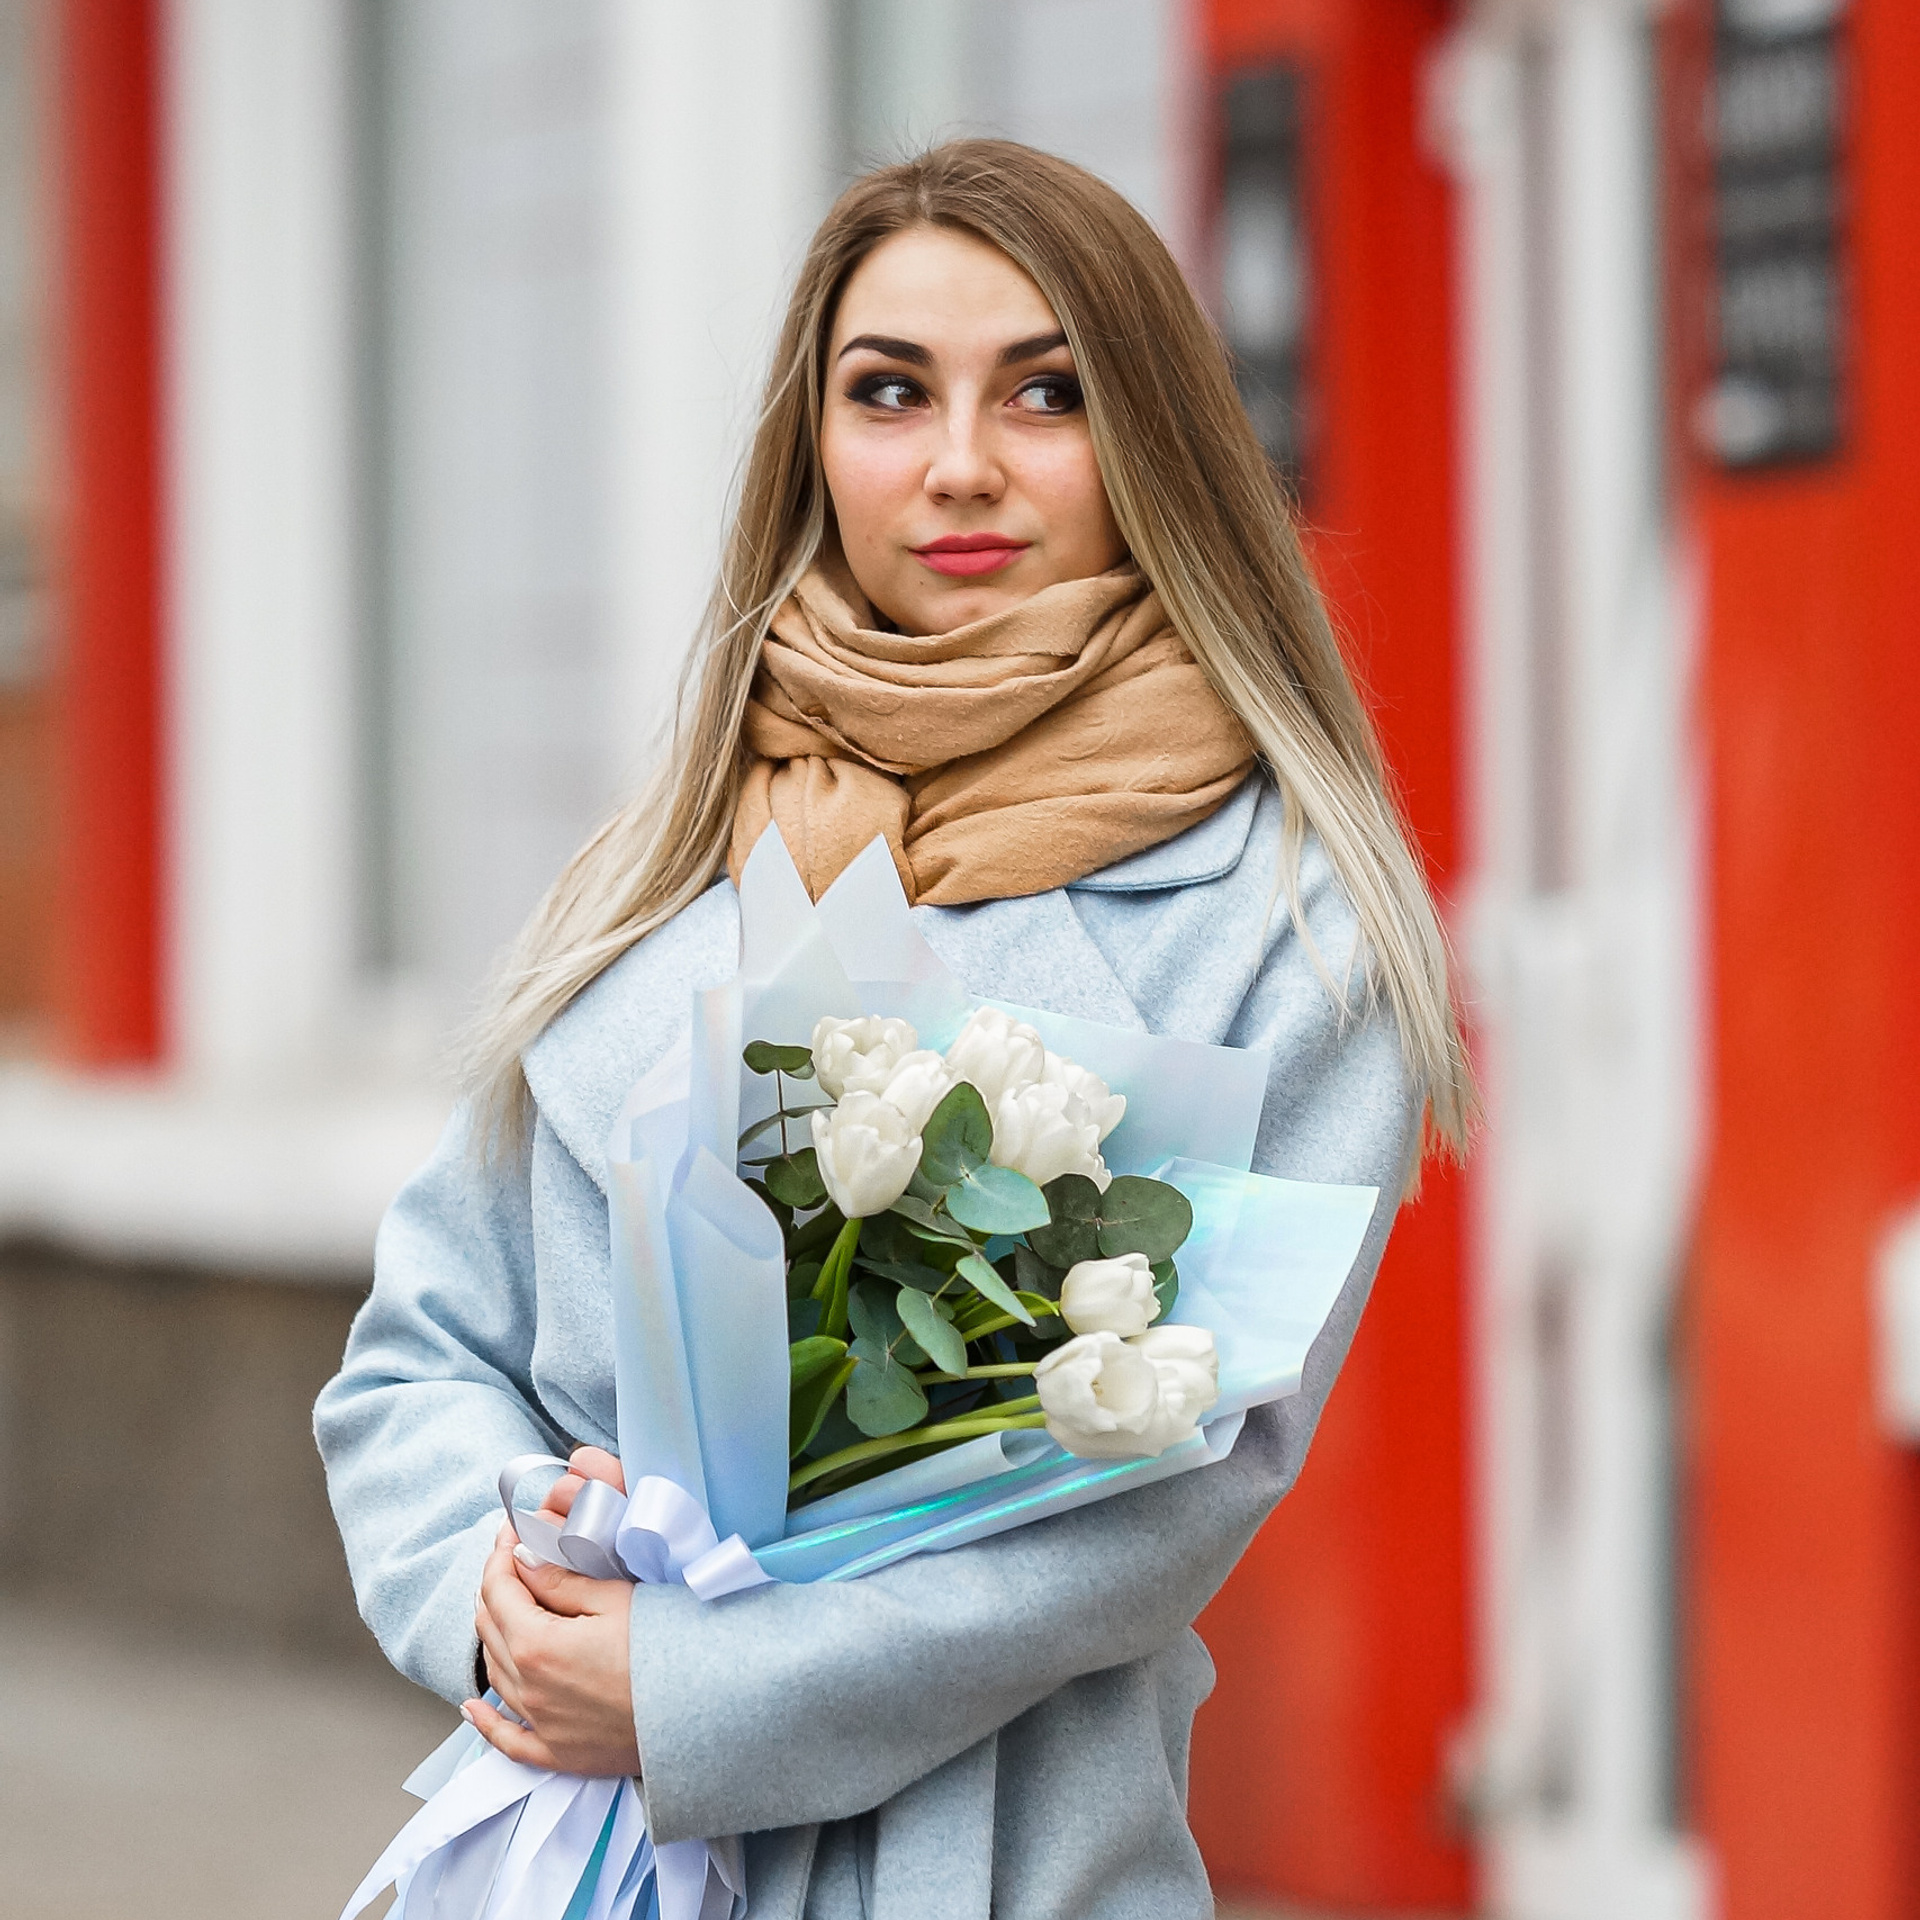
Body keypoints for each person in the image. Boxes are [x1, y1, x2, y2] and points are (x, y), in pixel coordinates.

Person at [315, 138, 1472, 1920]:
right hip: (578, 1865)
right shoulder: (660, 868)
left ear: (1149, 436)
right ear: (816, 445)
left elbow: (1150, 1513)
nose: (959, 464)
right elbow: (421, 1350)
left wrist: (698, 1695)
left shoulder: (1293, 933)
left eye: (1045, 392)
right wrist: (514, 1598)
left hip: (1013, 1870)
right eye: (889, 392)